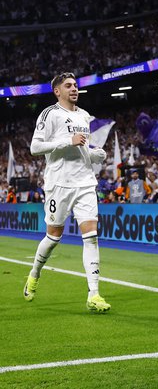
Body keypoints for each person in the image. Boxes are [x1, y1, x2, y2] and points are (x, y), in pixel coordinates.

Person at [24, 72, 110, 312]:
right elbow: (35, 147)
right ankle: (34, 274)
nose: (74, 89)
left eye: (76, 85)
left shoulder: (84, 115)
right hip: (59, 184)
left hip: (84, 182)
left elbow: (82, 149)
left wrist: (95, 154)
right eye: (69, 86)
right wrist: (66, 141)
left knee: (91, 236)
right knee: (53, 237)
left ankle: (94, 294)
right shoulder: (50, 114)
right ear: (57, 91)